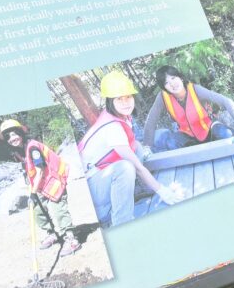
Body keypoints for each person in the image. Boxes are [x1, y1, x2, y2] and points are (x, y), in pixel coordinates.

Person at [78, 70, 185, 228]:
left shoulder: (119, 115)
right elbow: (138, 167)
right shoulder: (112, 127)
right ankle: (123, 224)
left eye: (128, 96)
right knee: (126, 168)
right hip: (91, 193)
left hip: (100, 178)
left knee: (138, 149)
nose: (125, 102)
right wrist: (162, 190)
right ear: (110, 101)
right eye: (119, 99)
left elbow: (133, 144)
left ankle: (137, 189)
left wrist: (145, 151)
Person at [0, 119, 81, 255]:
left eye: (14, 134)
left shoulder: (32, 147)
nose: (12, 138)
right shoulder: (20, 151)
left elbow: (40, 170)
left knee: (58, 210)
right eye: (8, 137)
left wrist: (33, 193)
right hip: (42, 184)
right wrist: (33, 192)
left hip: (54, 181)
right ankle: (53, 233)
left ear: (21, 133)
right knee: (37, 209)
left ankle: (71, 239)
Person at [143, 65, 234, 151]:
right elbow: (151, 120)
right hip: (187, 135)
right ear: (164, 88)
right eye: (166, 82)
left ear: (180, 77)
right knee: (171, 142)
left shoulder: (196, 89)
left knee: (225, 134)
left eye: (173, 78)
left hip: (209, 129)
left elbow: (226, 101)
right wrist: (147, 146)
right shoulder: (162, 97)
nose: (172, 84)